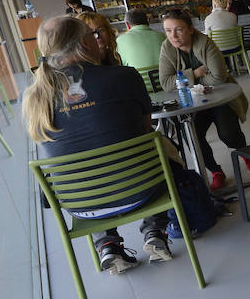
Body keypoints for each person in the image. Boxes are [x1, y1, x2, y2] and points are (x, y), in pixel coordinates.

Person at [22, 16, 172, 274]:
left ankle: (107, 245)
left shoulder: (34, 97)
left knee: (85, 162)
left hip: (82, 206)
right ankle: (154, 230)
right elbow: (145, 128)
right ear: (84, 42)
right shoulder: (124, 76)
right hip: (141, 189)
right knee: (163, 147)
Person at [159, 9, 250, 190]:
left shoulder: (206, 43)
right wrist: (196, 73)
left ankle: (246, 154)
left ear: (190, 29)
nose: (173, 35)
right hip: (194, 103)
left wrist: (184, 80)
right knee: (192, 137)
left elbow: (219, 78)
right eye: (168, 30)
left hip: (219, 96)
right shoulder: (167, 47)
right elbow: (166, 83)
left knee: (228, 133)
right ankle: (215, 171)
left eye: (178, 29)